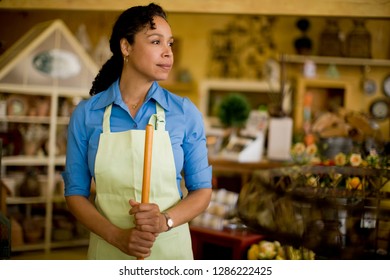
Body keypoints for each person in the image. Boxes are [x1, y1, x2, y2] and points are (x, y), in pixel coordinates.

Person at [62, 3, 212, 260]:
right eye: (156, 42)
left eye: (170, 43)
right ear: (126, 47)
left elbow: (202, 191)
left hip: (170, 254)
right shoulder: (87, 114)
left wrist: (164, 221)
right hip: (108, 252)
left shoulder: (184, 112)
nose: (168, 53)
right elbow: (75, 194)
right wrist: (117, 237)